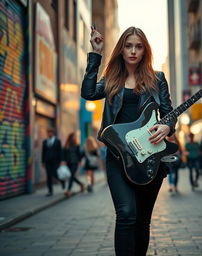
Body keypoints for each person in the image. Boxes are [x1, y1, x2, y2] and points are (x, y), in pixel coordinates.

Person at [81, 26, 176, 256]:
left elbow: (169, 113)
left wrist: (167, 125)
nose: (133, 51)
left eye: (138, 46)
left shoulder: (158, 79)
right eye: (128, 45)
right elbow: (88, 92)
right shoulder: (112, 79)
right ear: (121, 49)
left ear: (145, 50)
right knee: (126, 214)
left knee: (142, 220)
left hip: (150, 159)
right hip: (118, 158)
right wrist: (96, 54)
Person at [42, 127, 65, 196]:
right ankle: (50, 191)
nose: (49, 134)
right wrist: (42, 161)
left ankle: (62, 181)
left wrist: (61, 160)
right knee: (49, 176)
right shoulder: (45, 141)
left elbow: (60, 151)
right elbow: (43, 152)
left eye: (50, 132)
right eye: (48, 132)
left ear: (53, 133)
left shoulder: (57, 141)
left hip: (55, 161)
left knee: (55, 174)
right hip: (47, 161)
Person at [62, 132, 84, 197]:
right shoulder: (66, 145)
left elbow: (79, 154)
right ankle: (81, 184)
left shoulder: (77, 145)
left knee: (71, 175)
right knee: (71, 176)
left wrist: (80, 161)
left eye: (74, 137)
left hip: (75, 162)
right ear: (70, 138)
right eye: (73, 137)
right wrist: (63, 161)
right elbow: (63, 154)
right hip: (68, 163)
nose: (74, 138)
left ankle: (68, 190)